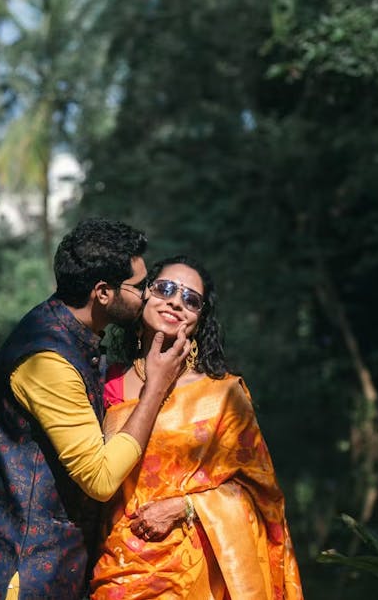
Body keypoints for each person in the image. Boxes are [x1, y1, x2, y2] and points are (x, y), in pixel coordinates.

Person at [0, 219, 192, 600]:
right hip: (23, 577)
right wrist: (157, 385)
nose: (150, 295)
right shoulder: (49, 360)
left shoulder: (69, 330)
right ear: (103, 293)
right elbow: (99, 479)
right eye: (139, 286)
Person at [91, 255, 303, 600]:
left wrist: (186, 506)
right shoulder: (105, 382)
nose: (176, 301)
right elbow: (73, 457)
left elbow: (261, 496)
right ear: (144, 295)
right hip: (116, 568)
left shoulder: (222, 396)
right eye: (165, 289)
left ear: (200, 319)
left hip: (197, 575)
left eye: (191, 299)